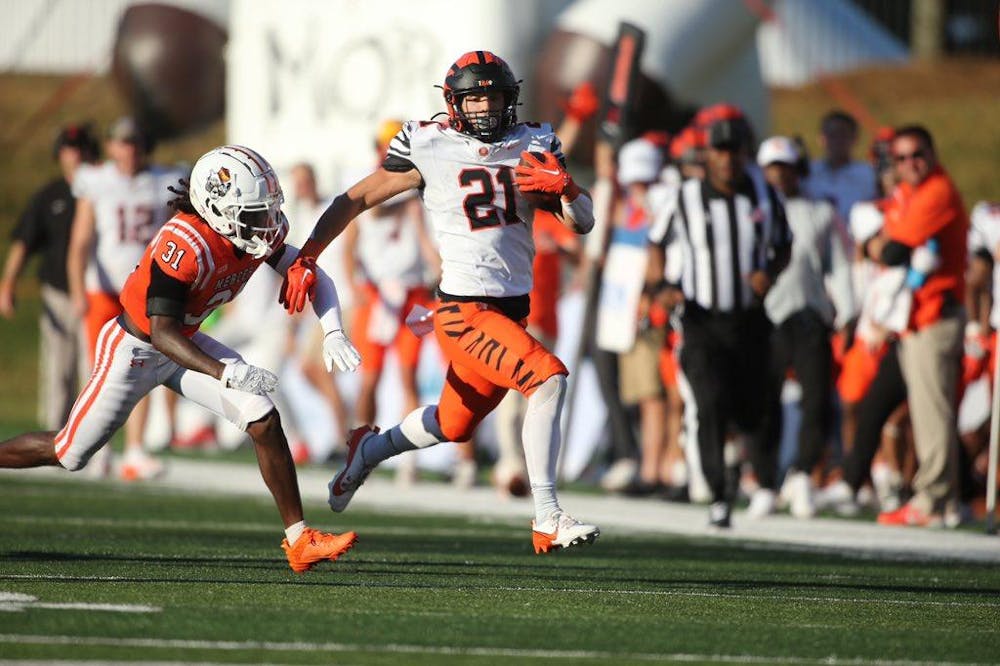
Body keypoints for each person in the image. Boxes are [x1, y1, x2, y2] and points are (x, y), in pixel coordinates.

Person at [282, 51, 600, 554]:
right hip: (462, 310)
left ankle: (368, 449)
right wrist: (308, 255)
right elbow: (356, 198)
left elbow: (581, 222)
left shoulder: (534, 141)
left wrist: (567, 188)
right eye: (474, 97)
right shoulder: (429, 143)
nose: (485, 107)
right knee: (548, 377)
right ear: (454, 102)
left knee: (454, 424)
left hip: (509, 309)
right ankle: (548, 516)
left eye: (494, 96)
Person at [0, 145, 362, 573]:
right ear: (218, 210)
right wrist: (226, 371)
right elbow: (161, 331)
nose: (267, 224)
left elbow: (308, 273)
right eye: (253, 214)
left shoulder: (244, 231)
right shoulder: (184, 244)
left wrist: (333, 330)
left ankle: (299, 540)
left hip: (184, 341)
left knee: (263, 418)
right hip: (135, 349)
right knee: (69, 452)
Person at [647, 115, 792, 528]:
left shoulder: (765, 193)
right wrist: (661, 286)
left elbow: (784, 245)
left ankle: (759, 476)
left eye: (734, 151)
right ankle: (718, 493)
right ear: (707, 154)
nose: (727, 159)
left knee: (753, 408)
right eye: (720, 150)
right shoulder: (684, 197)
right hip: (700, 318)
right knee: (708, 402)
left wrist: (771, 273)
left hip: (749, 317)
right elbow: (656, 243)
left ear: (746, 154)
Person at [66, 117, 183, 480]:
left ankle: (134, 450)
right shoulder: (97, 181)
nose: (129, 150)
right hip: (103, 287)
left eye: (135, 142)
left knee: (142, 368)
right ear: (111, 146)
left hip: (144, 290)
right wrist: (76, 289)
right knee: (99, 370)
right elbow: (81, 239)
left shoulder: (164, 180)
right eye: (123, 142)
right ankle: (96, 450)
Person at [751, 136, 854, 519]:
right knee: (765, 402)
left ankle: (803, 475)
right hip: (767, 317)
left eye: (786, 167)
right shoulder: (753, 210)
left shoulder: (820, 212)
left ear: (798, 170)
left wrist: (848, 311)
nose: (779, 174)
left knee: (816, 402)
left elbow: (839, 263)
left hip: (810, 313)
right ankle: (764, 481)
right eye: (772, 167)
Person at [872, 125, 968, 526]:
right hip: (916, 317)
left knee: (933, 411)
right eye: (902, 157)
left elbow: (890, 248)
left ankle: (933, 498)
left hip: (935, 314)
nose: (911, 163)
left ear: (933, 152)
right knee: (927, 411)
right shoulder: (910, 193)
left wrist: (877, 244)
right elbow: (881, 243)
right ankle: (942, 499)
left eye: (918, 154)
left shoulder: (936, 192)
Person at [1, 123, 99, 429]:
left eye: (80, 149)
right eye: (69, 150)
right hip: (58, 293)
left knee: (93, 369)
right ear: (60, 154)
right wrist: (8, 285)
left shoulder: (103, 189)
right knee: (59, 368)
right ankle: (54, 435)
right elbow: (24, 242)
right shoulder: (50, 195)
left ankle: (88, 432)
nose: (75, 156)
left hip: (96, 292)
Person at [803, 110, 878, 221]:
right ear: (821, 139)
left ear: (854, 138)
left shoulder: (869, 174)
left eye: (843, 134)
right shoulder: (807, 172)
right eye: (832, 135)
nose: (837, 140)